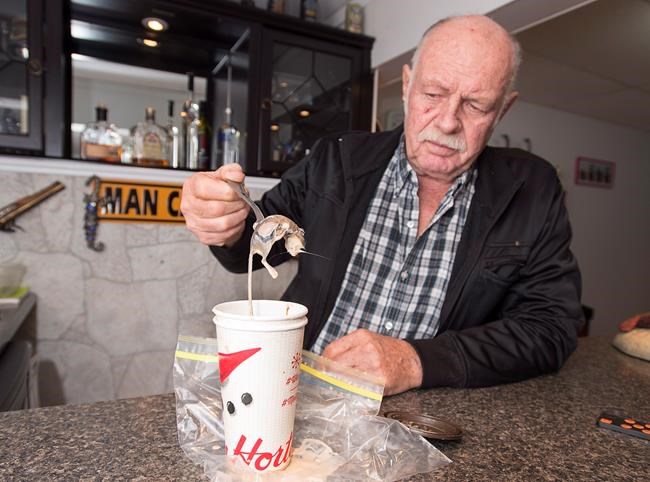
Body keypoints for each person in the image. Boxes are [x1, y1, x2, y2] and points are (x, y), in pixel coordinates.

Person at [181, 15, 583, 395]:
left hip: (424, 414)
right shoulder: (336, 159)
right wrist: (225, 223)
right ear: (407, 85)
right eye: (433, 94)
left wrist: (417, 361)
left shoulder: (533, 189)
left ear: (503, 110)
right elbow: (250, 249)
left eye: (476, 105)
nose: (447, 122)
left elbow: (551, 328)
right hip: (298, 390)